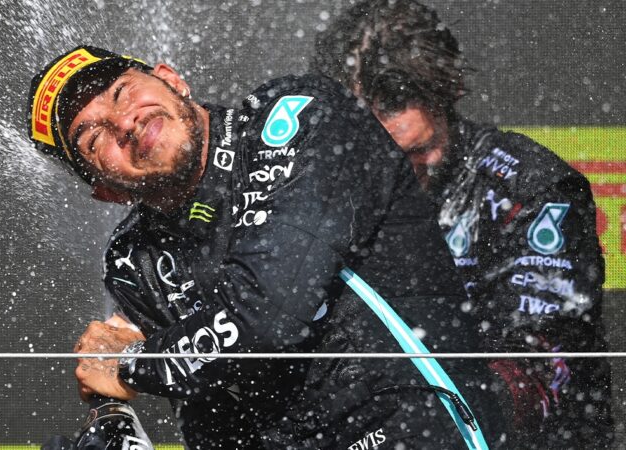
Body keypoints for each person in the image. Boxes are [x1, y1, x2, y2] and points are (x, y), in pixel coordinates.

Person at [28, 46, 509, 449]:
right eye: (94, 139)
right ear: (106, 191)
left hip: (418, 429)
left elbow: (270, 313)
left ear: (171, 78)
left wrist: (132, 364)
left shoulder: (297, 114)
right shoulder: (136, 260)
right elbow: (214, 425)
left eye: (122, 91)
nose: (123, 122)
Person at [312, 1, 613, 447]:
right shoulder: (328, 188)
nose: (393, 176)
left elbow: (546, 358)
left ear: (448, 92)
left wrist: (430, 424)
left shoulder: (527, 188)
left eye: (414, 154)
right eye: (375, 158)